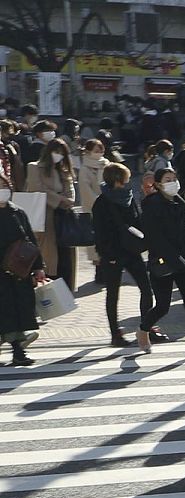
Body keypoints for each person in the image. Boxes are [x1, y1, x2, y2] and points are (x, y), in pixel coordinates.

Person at [138, 167, 185, 357]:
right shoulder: (151, 205)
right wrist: (174, 259)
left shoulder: (180, 203)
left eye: (174, 178)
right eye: (168, 179)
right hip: (163, 262)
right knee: (163, 306)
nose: (173, 182)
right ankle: (143, 329)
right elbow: (154, 237)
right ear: (158, 184)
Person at [90, 162, 155, 349]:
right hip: (113, 254)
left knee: (146, 288)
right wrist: (106, 254)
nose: (128, 180)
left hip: (131, 251)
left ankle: (146, 327)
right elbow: (100, 232)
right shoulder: (102, 203)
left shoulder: (128, 197)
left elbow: (137, 220)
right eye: (125, 177)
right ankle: (115, 333)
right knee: (113, 294)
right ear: (118, 179)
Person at [0, 174, 43, 366]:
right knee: (6, 310)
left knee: (18, 309)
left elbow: (30, 241)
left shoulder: (18, 212)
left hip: (19, 271)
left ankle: (18, 350)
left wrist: (38, 267)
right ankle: (16, 347)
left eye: (4, 185)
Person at [28, 135, 77, 290]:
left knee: (65, 252)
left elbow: (70, 188)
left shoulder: (64, 170)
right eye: (56, 152)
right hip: (45, 213)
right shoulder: (35, 167)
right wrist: (59, 199)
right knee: (49, 253)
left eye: (62, 153)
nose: (59, 155)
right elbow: (37, 188)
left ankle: (66, 287)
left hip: (63, 214)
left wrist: (68, 200)